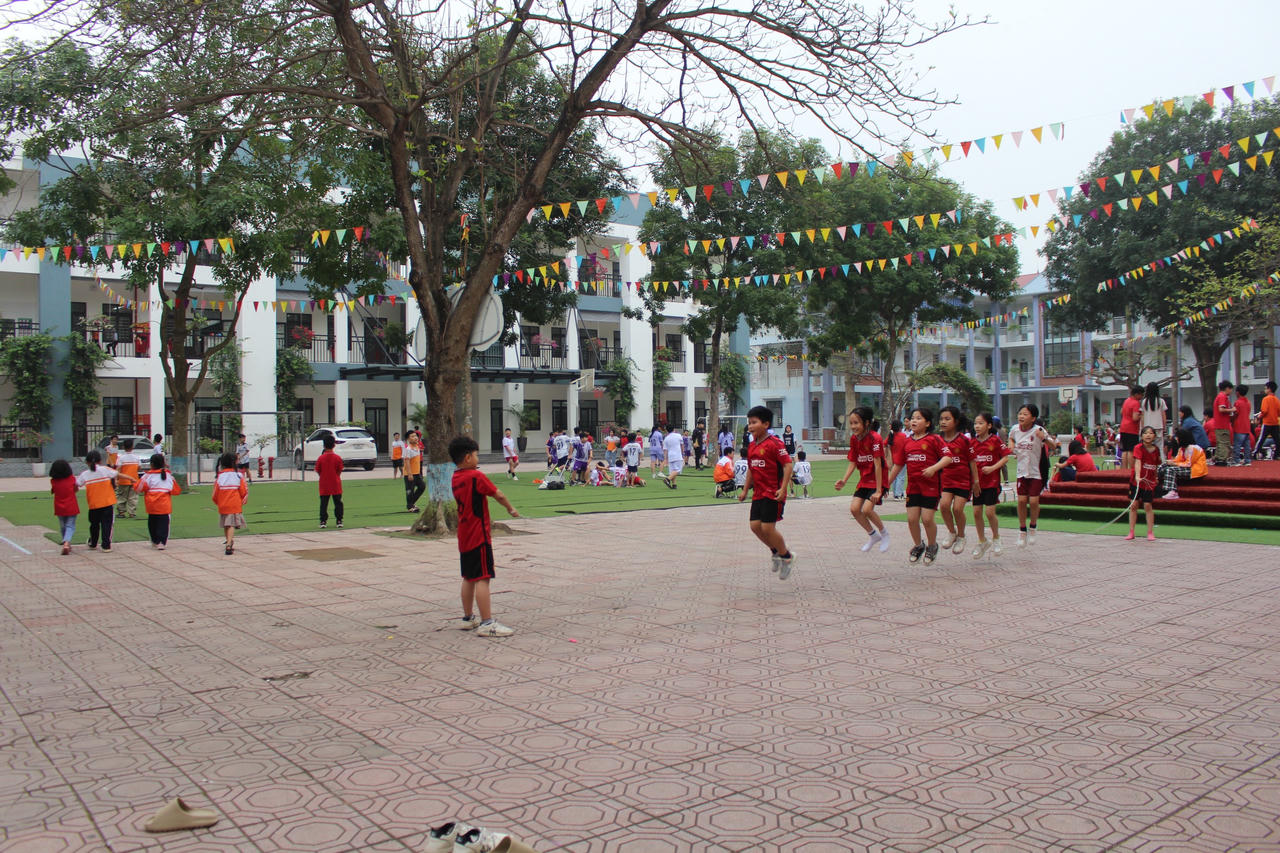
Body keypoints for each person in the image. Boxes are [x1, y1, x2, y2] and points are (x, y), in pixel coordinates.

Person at [449, 434, 519, 638]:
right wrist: (510, 509)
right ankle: (487, 622)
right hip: (478, 535)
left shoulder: (456, 477)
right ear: (468, 457)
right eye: (476, 455)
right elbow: (498, 494)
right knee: (483, 577)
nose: (477, 459)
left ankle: (468, 617)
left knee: (469, 576)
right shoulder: (475, 476)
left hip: (464, 535)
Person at [885, 407, 951, 565]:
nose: (914, 421)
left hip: (931, 487)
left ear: (927, 423)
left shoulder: (934, 439)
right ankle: (918, 545)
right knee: (912, 519)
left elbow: (948, 457)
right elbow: (898, 465)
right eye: (913, 418)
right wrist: (885, 485)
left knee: (927, 519)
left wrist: (933, 468)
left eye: (919, 418)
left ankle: (932, 545)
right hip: (913, 487)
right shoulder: (907, 442)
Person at [738, 405, 795, 579]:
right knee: (755, 527)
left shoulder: (775, 443)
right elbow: (751, 469)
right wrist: (745, 490)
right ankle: (775, 551)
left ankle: (787, 557)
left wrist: (783, 487)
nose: (750, 426)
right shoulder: (752, 445)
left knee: (767, 527)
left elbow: (788, 465)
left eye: (754, 422)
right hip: (759, 493)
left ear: (766, 424)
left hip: (773, 492)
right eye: (749, 423)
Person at [834, 406, 889, 553]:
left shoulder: (875, 438)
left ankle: (884, 534)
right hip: (864, 479)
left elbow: (878, 464)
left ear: (866, 423)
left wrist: (879, 490)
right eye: (851, 423)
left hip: (878, 480)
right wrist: (844, 481)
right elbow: (853, 461)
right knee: (854, 509)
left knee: (867, 510)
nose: (853, 426)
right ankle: (873, 536)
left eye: (856, 423)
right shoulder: (854, 439)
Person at [1008, 403, 1058, 547]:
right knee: (1022, 501)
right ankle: (1022, 531)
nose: (1021, 416)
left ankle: (1033, 527)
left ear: (1033, 418)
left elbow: (1054, 446)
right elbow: (1011, 438)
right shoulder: (1015, 429)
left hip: (1036, 472)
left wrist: (1044, 439)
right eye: (1020, 414)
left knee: (1034, 501)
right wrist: (1011, 445)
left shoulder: (1039, 430)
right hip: (1021, 472)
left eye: (1025, 414)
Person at [969, 412, 1009, 558]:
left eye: (980, 423)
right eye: (975, 423)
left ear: (989, 425)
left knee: (989, 512)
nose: (977, 426)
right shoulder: (972, 443)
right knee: (976, 512)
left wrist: (993, 468)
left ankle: (996, 538)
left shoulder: (995, 441)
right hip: (977, 484)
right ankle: (982, 541)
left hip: (991, 482)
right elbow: (970, 462)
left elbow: (1005, 458)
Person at [936, 405, 973, 556]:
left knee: (957, 509)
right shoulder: (938, 440)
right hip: (946, 480)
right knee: (944, 506)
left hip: (963, 480)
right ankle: (952, 532)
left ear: (956, 421)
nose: (943, 422)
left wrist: (976, 482)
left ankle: (962, 536)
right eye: (941, 419)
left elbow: (972, 462)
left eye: (947, 419)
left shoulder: (964, 440)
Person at [134, 453, 180, 549]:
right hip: (164, 506)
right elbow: (176, 491)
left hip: (152, 505)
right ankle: (162, 542)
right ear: (163, 463)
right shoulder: (168, 475)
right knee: (164, 524)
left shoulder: (147, 476)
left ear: (151, 464)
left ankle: (155, 540)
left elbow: (138, 488)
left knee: (152, 523)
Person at [77, 450, 117, 552]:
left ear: (87, 462)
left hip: (94, 504)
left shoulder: (84, 474)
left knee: (94, 525)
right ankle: (106, 545)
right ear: (100, 461)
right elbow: (115, 473)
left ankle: (93, 543)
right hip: (107, 503)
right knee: (107, 524)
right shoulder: (105, 469)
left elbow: (77, 484)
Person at [1128, 426, 1161, 541]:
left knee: (1147, 505)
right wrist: (1137, 476)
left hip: (1149, 482)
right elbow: (1138, 461)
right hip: (1136, 481)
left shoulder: (1156, 450)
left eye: (1151, 433)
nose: (1148, 435)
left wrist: (1156, 477)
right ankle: (1131, 531)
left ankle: (1150, 532)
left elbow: (1156, 464)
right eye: (1145, 433)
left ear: (1154, 436)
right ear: (1141, 436)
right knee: (1133, 505)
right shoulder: (1138, 448)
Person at [213, 451, 248, 555]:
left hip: (223, 504)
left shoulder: (220, 476)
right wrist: (242, 500)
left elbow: (215, 493)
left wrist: (218, 502)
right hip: (234, 504)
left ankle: (229, 540)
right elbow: (243, 491)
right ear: (234, 462)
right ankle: (229, 544)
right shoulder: (238, 475)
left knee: (226, 524)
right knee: (231, 524)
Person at [1159, 428, 1207, 499]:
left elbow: (1188, 464)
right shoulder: (1181, 448)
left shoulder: (1193, 448)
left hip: (1194, 470)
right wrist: (1170, 462)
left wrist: (1174, 464)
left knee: (1170, 470)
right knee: (1163, 466)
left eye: (1177, 437)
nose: (1176, 439)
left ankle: (1172, 491)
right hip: (1187, 468)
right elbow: (1177, 460)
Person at [50, 458, 79, 556]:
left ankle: (66, 542)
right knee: (70, 525)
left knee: (63, 526)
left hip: (59, 506)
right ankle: (67, 542)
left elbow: (53, 491)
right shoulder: (71, 478)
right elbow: (76, 489)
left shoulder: (53, 481)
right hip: (71, 505)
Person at [315, 434, 344, 529]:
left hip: (324, 483)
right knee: (338, 502)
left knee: (324, 503)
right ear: (334, 445)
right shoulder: (337, 458)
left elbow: (318, 470)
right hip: (335, 483)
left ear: (324, 445)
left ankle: (323, 521)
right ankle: (339, 520)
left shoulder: (321, 458)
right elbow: (339, 470)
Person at [115, 438, 142, 518]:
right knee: (133, 497)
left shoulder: (121, 458)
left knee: (121, 497)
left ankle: (121, 512)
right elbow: (139, 468)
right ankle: (132, 513)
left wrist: (116, 479)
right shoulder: (136, 457)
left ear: (123, 447)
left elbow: (118, 469)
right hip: (134, 480)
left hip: (123, 481)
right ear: (132, 447)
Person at [1118, 386, 1143, 470]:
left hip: (1123, 427)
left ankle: (1124, 469)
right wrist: (1141, 415)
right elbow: (1135, 418)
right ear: (1136, 394)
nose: (1141, 397)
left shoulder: (1126, 400)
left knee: (1124, 450)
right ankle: (1132, 469)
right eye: (1141, 395)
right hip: (1131, 429)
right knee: (1131, 450)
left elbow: (1121, 412)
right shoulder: (1136, 403)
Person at [1212, 380, 1235, 465]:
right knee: (1224, 442)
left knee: (1220, 442)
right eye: (1230, 389)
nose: (1231, 391)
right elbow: (1221, 409)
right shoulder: (1223, 397)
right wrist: (1232, 410)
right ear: (1227, 388)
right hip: (1222, 424)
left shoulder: (1219, 396)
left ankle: (1218, 458)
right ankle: (1222, 459)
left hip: (1219, 423)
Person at [403, 432, 425, 511]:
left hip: (417, 473)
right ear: (408, 439)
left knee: (422, 486)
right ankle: (410, 507)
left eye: (415, 436)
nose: (415, 438)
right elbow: (407, 462)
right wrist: (409, 474)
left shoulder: (417, 447)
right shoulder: (408, 449)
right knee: (410, 490)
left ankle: (411, 504)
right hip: (410, 474)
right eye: (412, 436)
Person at [1258, 381, 1280, 460]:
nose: (1265, 390)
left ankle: (1256, 452)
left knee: (1261, 439)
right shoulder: (1277, 400)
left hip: (1267, 422)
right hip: (1275, 423)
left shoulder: (1265, 399)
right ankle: (1277, 455)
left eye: (1265, 388)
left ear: (1269, 389)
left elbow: (1264, 411)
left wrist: (1259, 417)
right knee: (1277, 440)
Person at [1233, 385, 1253, 466]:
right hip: (1247, 426)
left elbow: (1235, 414)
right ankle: (1247, 460)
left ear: (1237, 392)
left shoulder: (1237, 402)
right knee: (1247, 446)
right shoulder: (1248, 402)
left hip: (1239, 426)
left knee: (1237, 445)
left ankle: (1237, 460)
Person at [887, 419, 907, 499]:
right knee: (901, 477)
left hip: (892, 460)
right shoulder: (903, 436)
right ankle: (898, 494)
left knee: (894, 477)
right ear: (900, 428)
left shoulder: (890, 436)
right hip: (901, 459)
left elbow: (885, 444)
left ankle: (896, 493)